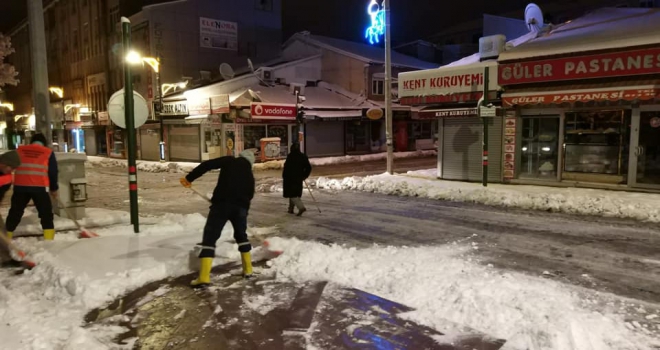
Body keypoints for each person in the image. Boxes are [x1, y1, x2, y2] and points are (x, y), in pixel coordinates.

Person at [180, 150, 256, 288]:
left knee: (210, 237)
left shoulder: (229, 160)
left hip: (222, 205)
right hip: (241, 208)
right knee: (241, 236)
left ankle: (203, 277)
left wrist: (189, 178)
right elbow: (250, 195)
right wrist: (243, 212)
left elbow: (207, 165)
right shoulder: (250, 175)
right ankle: (248, 270)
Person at [6, 133, 59, 241]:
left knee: (15, 213)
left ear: (31, 142)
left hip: (20, 187)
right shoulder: (48, 152)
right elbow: (52, 172)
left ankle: (6, 237)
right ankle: (49, 240)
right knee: (46, 214)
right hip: (40, 188)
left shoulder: (19, 150)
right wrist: (54, 189)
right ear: (44, 143)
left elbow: (8, 167)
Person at [282, 143, 312, 216]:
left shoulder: (290, 156)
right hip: (299, 178)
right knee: (295, 193)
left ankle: (301, 207)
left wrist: (284, 176)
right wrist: (304, 175)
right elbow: (308, 167)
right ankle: (290, 209)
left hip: (289, 178)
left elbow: (286, 168)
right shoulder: (303, 156)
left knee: (292, 194)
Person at [0, 151, 21, 239]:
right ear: (3, 163)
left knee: (2, 234)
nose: (12, 171)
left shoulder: (7, 179)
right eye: (11, 167)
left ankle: (3, 251)